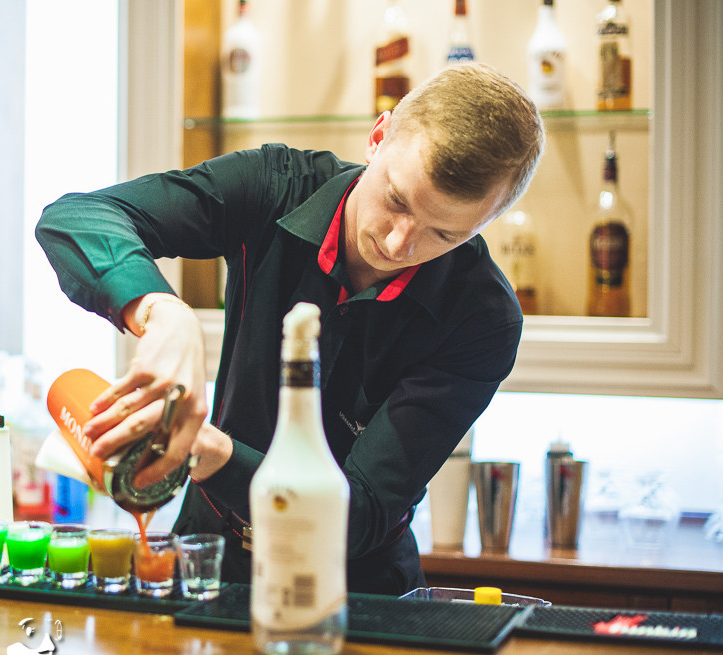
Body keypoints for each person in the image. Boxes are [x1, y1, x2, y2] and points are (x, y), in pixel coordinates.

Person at [35, 63, 544, 595]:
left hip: (353, 589)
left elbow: (361, 511)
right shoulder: (276, 186)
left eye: (444, 234)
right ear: (378, 137)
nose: (398, 244)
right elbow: (77, 218)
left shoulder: (481, 318)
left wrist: (209, 453)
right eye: (396, 199)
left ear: (483, 225)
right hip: (207, 557)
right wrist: (164, 313)